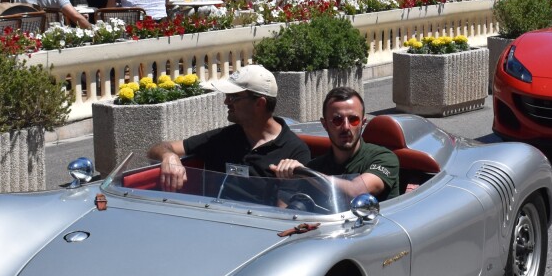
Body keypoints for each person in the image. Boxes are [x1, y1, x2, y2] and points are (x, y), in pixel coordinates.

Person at [148, 65, 310, 190]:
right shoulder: (223, 138)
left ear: (259, 103)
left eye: (234, 97)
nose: (226, 102)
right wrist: (169, 157)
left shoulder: (294, 151)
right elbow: (158, 148)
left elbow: (288, 213)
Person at [270, 87, 399, 202]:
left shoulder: (384, 158)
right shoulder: (315, 167)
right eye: (337, 120)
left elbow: (356, 191)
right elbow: (287, 211)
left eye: (353, 119)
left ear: (363, 123)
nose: (346, 127)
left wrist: (306, 174)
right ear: (325, 124)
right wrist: (288, 181)